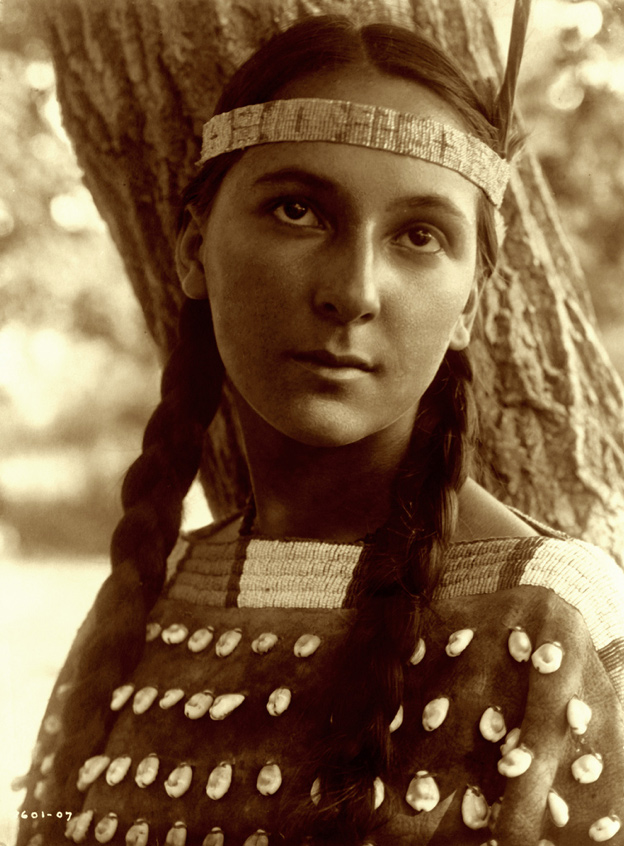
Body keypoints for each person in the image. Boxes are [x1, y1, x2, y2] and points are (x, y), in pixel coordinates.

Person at [17, 8, 624, 846]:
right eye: (299, 211)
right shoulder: (146, 597)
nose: (354, 290)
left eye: (419, 235)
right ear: (194, 250)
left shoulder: (547, 620)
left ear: (468, 308)